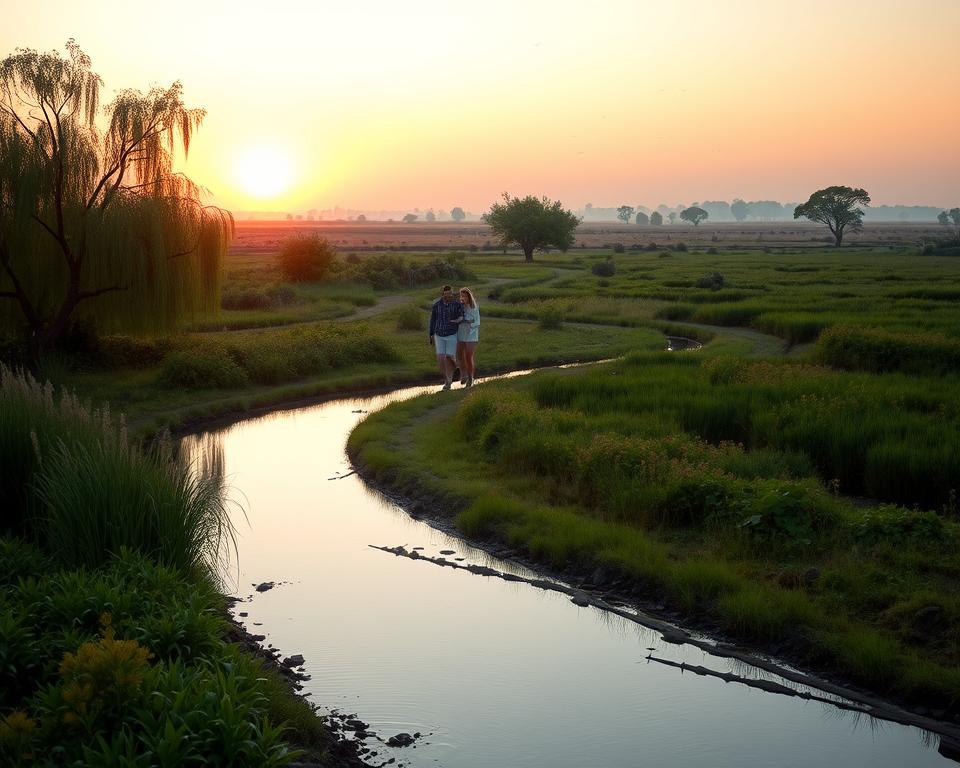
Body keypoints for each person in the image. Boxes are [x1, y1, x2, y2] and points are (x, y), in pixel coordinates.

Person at [428, 284, 463, 390]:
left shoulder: (457, 304)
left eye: (450, 293)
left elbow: (461, 316)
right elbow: (433, 320)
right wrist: (431, 334)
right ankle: (447, 381)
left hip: (452, 334)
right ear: (442, 294)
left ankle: (454, 372)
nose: (448, 295)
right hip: (439, 335)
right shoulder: (437, 305)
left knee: (449, 357)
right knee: (441, 359)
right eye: (446, 293)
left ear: (452, 293)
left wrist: (457, 320)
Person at [454, 287, 480, 386]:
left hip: (471, 335)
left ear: (469, 297)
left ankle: (470, 377)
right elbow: (456, 318)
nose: (462, 298)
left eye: (464, 296)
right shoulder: (459, 307)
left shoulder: (474, 307)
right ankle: (463, 373)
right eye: (461, 296)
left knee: (468, 356)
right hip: (461, 333)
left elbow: (476, 321)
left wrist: (467, 321)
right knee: (459, 354)